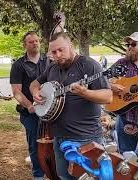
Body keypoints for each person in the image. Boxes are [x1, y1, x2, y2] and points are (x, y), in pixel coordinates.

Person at [30, 32, 112, 180]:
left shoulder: (89, 65)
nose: (58, 54)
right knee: (63, 176)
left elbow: (108, 97)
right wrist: (35, 91)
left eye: (61, 50)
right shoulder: (53, 68)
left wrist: (85, 92)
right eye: (54, 52)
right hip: (59, 136)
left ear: (71, 46)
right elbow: (34, 83)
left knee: (86, 177)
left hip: (85, 137)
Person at [9, 31, 49, 179]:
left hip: (51, 110)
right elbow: (16, 91)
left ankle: (53, 172)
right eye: (31, 42)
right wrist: (29, 106)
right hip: (31, 113)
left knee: (53, 142)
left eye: (37, 41)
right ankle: (38, 175)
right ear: (25, 45)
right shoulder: (18, 65)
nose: (35, 43)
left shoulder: (49, 60)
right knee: (35, 144)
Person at [110, 32, 138, 154]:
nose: (129, 47)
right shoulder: (123, 64)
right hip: (126, 119)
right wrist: (112, 86)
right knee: (126, 159)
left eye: (133, 44)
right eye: (128, 45)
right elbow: (102, 79)